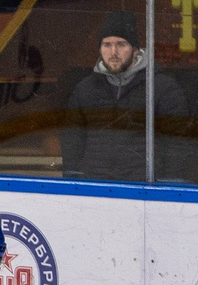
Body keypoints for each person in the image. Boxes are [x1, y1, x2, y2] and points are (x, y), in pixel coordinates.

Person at [58, 12, 190, 181]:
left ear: (135, 50)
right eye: (106, 45)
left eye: (121, 44)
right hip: (94, 188)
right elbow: (72, 140)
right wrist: (73, 179)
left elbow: (177, 142)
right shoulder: (85, 89)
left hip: (145, 190)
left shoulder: (162, 88)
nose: (113, 52)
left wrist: (172, 185)